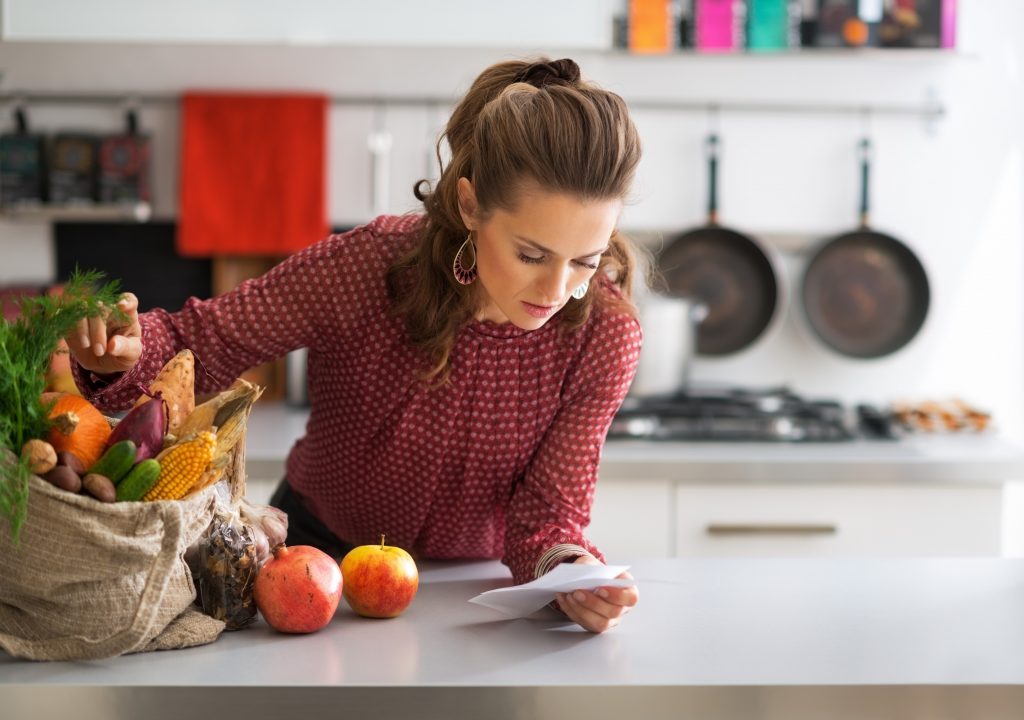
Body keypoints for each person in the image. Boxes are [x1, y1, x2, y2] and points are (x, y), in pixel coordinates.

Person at [67, 57, 643, 633]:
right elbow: (208, 339)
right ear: (470, 205)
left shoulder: (605, 333)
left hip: (468, 593)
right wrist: (125, 350)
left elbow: (548, 514)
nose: (557, 288)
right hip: (311, 556)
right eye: (532, 254)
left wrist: (570, 570)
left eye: (586, 261)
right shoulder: (370, 266)